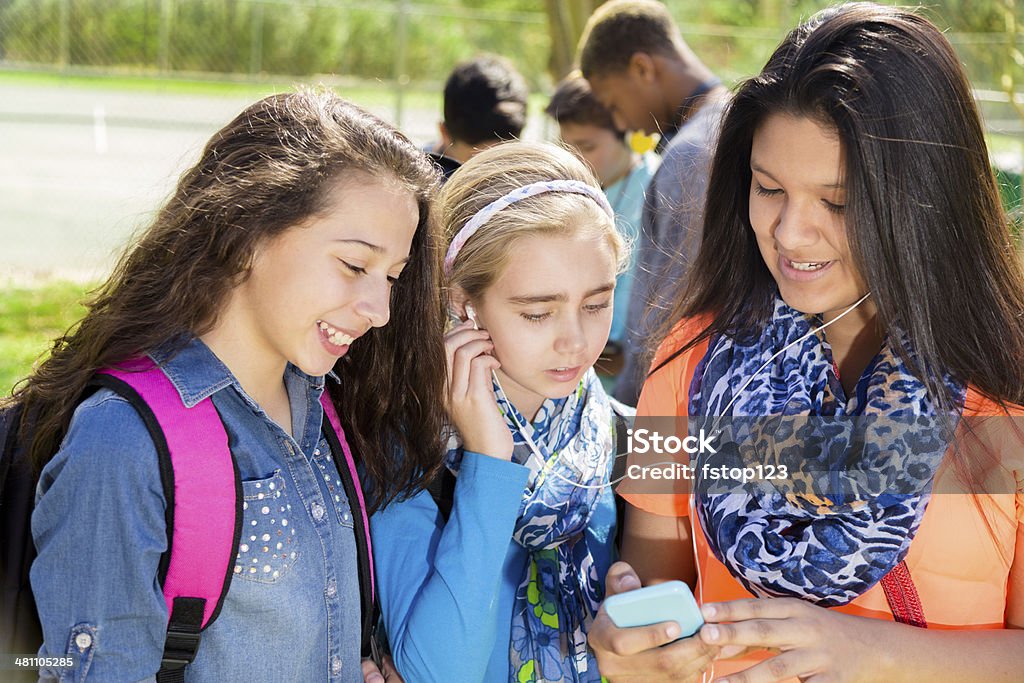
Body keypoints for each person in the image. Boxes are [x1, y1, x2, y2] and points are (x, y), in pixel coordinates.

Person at [589, 3, 1024, 681]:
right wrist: (631, 650)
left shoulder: (1008, 383)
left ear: (927, 199)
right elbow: (647, 596)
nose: (790, 234)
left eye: (838, 202)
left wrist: (876, 653)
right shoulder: (689, 361)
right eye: (768, 188)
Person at [15, 88, 447, 681]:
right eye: (353, 265)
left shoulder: (329, 405)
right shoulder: (121, 443)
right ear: (246, 232)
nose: (380, 309)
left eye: (392, 277)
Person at [371, 141, 632, 682]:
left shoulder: (631, 434)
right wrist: (489, 461)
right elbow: (437, 673)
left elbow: (841, 467)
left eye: (596, 303)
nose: (576, 342)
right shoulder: (402, 448)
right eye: (538, 313)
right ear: (462, 301)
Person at [578, 0, 729, 405]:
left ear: (643, 68)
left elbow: (667, 312)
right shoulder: (733, 125)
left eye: (612, 103)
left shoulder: (692, 155)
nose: (623, 122)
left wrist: (632, 411)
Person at [545, 73, 659, 373]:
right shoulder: (561, 188)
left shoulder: (660, 192)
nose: (573, 159)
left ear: (631, 134)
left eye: (586, 146)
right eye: (565, 145)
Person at [427, 54, 530, 179]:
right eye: (476, 164)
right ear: (444, 133)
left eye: (503, 161)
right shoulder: (415, 188)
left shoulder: (528, 183)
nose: (489, 177)